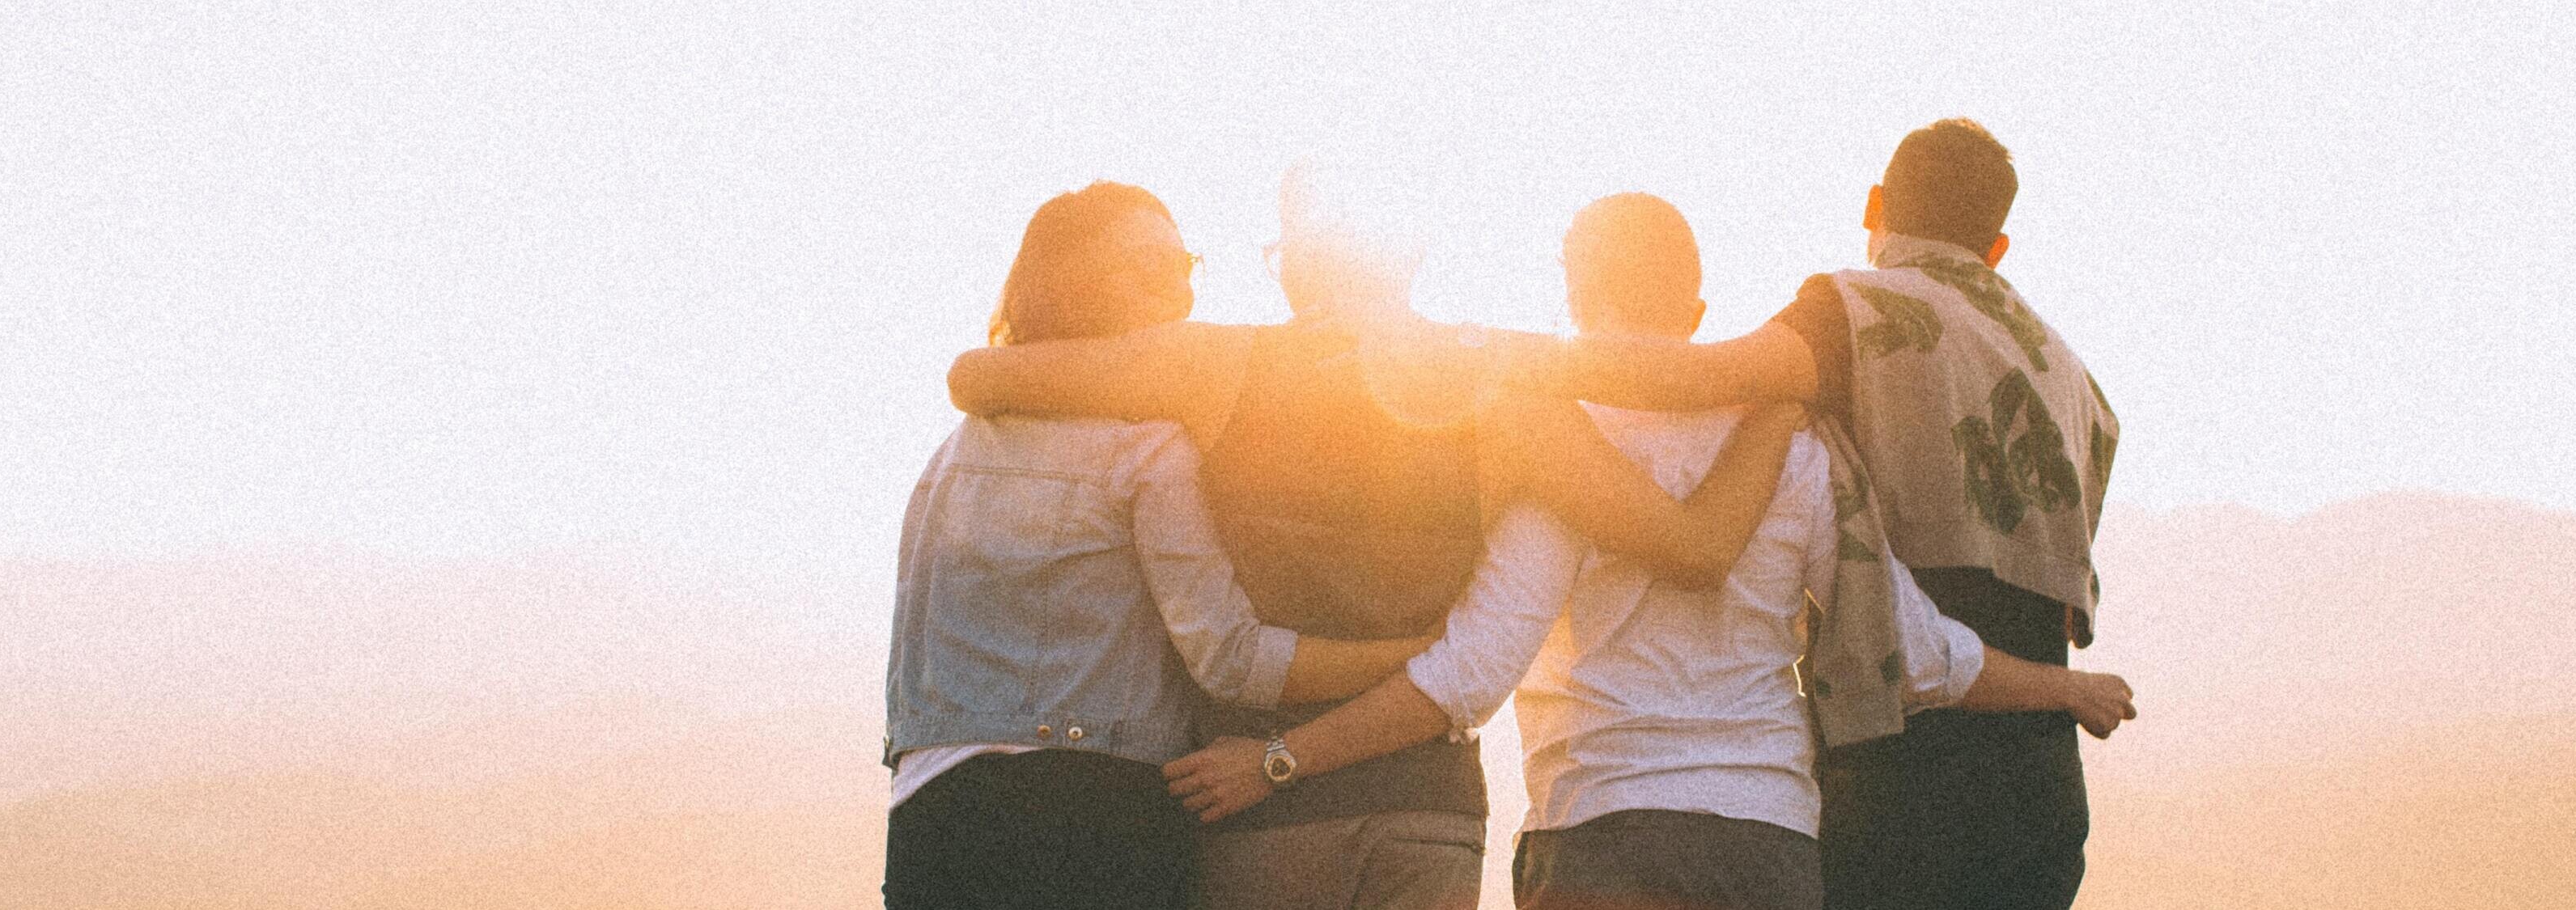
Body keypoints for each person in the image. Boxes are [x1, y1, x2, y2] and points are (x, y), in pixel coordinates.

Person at [1160, 193, 2133, 910]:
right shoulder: (1795, 447)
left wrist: (1280, 760)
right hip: (1768, 846)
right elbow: (1915, 652)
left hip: (1604, 836)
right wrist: (2069, 689)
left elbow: (1473, 671)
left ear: (1574, 296)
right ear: (1699, 313)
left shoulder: (1561, 447)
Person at [946, 167, 1789, 910]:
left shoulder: (1208, 365)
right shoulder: (1511, 395)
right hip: (1428, 813)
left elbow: (979, 379)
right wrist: (1782, 396)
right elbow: (1695, 546)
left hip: (1256, 812)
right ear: (1410, 253)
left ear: (1298, 258)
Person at [1502, 121, 2128, 910]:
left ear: (1875, 205)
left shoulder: (1860, 315)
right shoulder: (2072, 379)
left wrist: (1493, 362)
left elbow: (1705, 378)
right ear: (1995, 247)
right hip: (2038, 788)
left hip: (1896, 784)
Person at [883, 181, 1441, 910]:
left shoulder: (949, 457)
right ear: (1080, 285)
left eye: (1186, 267)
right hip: (1096, 817)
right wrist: (1414, 655)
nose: (1179, 296)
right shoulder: (1147, 447)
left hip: (932, 814)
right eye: (1151, 271)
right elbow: (1230, 658)